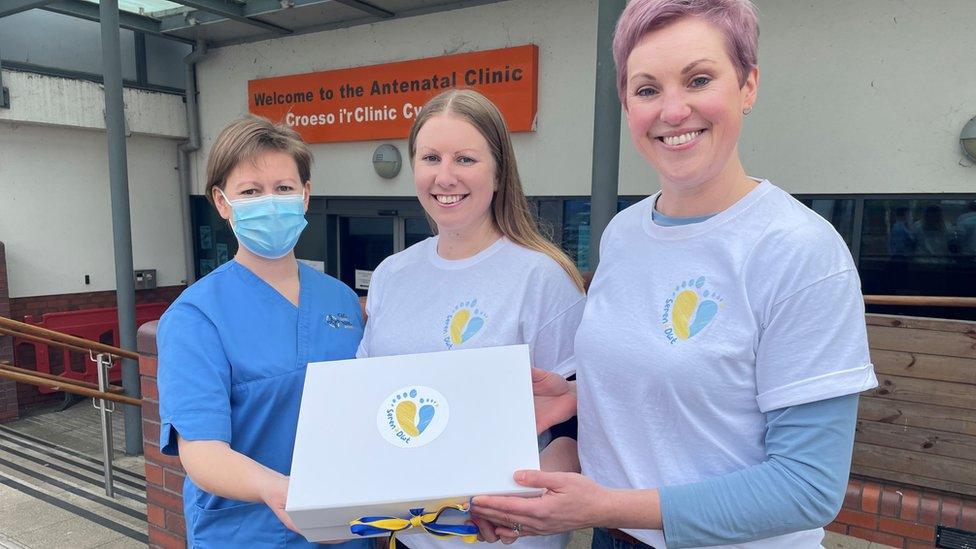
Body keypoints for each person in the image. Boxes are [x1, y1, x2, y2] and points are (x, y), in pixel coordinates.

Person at [471, 1, 878, 548]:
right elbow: (677, 395)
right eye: (647, 89)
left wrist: (607, 504)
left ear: (749, 84)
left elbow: (807, 487)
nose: (673, 110)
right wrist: (579, 393)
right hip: (614, 539)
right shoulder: (622, 233)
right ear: (626, 104)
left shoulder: (798, 251)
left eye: (699, 79)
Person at [356, 89, 586, 549]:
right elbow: (370, 397)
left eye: (465, 159)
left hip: (503, 538)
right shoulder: (391, 275)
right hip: (406, 536)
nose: (445, 176)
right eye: (430, 158)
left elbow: (578, 424)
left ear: (499, 172)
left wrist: (520, 507)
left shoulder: (542, 277)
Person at [156, 116, 370, 548]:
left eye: (284, 188)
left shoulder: (342, 301)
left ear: (306, 195)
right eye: (251, 191)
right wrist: (279, 490)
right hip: (249, 533)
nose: (270, 203)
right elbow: (201, 453)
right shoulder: (196, 316)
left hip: (343, 530)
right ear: (221, 202)